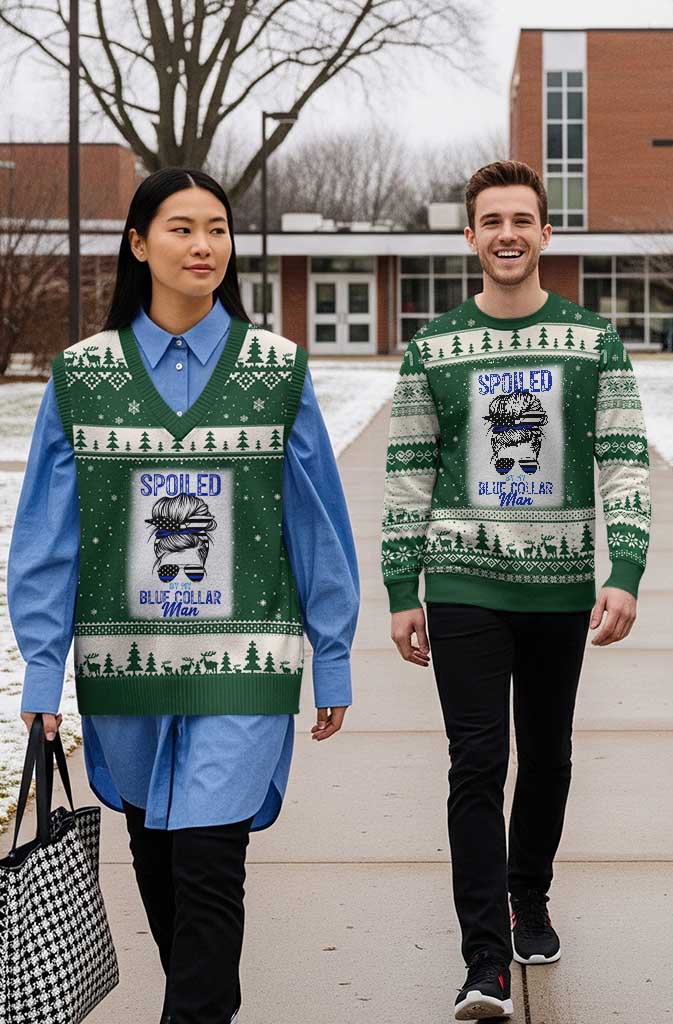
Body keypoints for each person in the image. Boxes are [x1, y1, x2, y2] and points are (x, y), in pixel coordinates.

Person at [11, 168, 359, 1024]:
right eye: (180, 229)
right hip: (123, 666)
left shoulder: (276, 371)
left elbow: (315, 522)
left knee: (210, 863)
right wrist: (42, 675)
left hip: (244, 664)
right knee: (159, 861)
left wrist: (334, 654)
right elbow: (46, 538)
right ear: (138, 244)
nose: (203, 246)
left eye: (216, 229)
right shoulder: (82, 376)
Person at [381, 160, 652, 1021]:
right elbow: (407, 474)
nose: (507, 234)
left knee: (549, 753)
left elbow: (623, 459)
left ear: (546, 233)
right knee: (477, 761)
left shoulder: (592, 340)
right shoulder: (433, 348)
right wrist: (401, 586)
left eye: (522, 220)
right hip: (463, 578)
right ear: (469, 236)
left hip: (560, 587)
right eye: (491, 220)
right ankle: (484, 961)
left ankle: (527, 895)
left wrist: (627, 569)